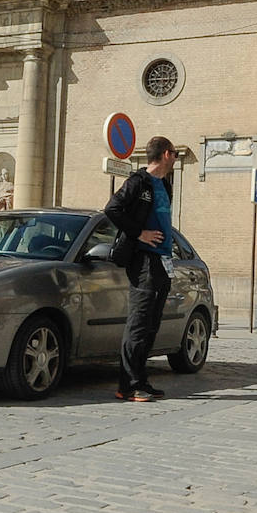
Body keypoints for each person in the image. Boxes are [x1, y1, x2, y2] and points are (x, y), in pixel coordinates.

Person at [104, 135, 179, 402]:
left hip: (162, 261)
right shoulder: (138, 182)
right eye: (175, 155)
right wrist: (140, 234)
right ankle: (127, 385)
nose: (175, 159)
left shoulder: (165, 186)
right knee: (138, 323)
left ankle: (141, 380)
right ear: (167, 154)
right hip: (144, 260)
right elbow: (112, 209)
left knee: (151, 324)